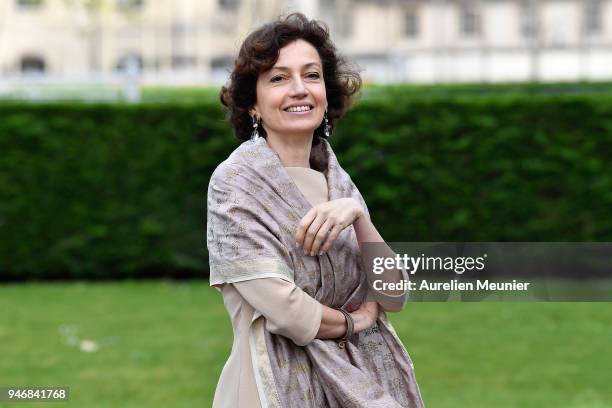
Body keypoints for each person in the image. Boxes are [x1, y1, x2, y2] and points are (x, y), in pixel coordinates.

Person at [207, 13, 424, 408]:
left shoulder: (337, 182)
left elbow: (394, 294)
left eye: (311, 75)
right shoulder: (234, 183)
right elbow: (286, 310)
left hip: (356, 383)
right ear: (252, 104)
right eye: (278, 78)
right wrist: (353, 322)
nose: (299, 90)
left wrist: (358, 216)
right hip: (269, 386)